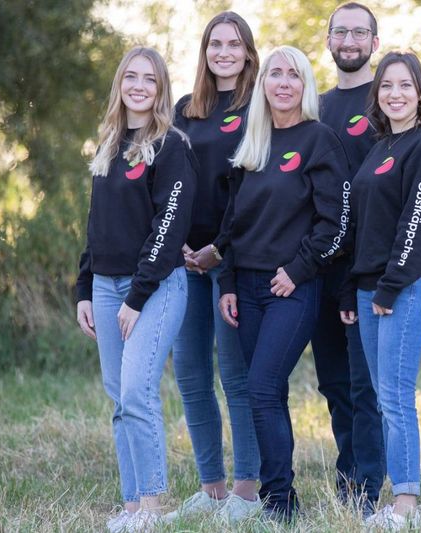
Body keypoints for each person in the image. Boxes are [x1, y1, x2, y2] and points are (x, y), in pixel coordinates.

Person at [216, 45, 348, 522]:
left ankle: (280, 503)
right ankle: (276, 495)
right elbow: (232, 223)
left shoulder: (319, 140)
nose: (284, 82)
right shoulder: (252, 141)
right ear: (264, 84)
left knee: (261, 385)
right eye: (276, 74)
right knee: (266, 393)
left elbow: (334, 222)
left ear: (305, 85)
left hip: (291, 286)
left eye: (294, 74)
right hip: (245, 287)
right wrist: (227, 280)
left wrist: (298, 269)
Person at [74, 46, 197, 533]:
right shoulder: (108, 142)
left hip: (156, 286)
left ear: (161, 87)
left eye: (150, 78)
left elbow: (168, 229)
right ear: (120, 84)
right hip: (105, 287)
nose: (140, 85)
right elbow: (95, 225)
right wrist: (84, 288)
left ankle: (152, 506)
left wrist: (136, 297)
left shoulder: (172, 147)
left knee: (136, 391)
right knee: (117, 397)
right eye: (131, 76)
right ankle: (130, 508)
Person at [340, 51, 421, 530]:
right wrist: (353, 290)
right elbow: (362, 226)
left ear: (420, 92)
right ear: (377, 94)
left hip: (406, 286)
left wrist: (388, 287)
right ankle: (396, 494)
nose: (395, 94)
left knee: (395, 395)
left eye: (405, 85)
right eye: (387, 86)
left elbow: (418, 224)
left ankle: (406, 502)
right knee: (380, 394)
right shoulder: (380, 146)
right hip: (370, 289)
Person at [161, 11, 262, 526]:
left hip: (233, 261)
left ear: (248, 51)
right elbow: (171, 180)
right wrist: (176, 244)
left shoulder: (260, 106)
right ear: (204, 52)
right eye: (214, 44)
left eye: (234, 43)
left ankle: (247, 490)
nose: (223, 52)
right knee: (192, 375)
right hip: (184, 261)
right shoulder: (185, 110)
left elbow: (253, 191)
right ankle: (213, 488)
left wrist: (220, 251)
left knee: (236, 375)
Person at [314, 1, 384, 515]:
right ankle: (348, 475)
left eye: (361, 33)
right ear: (329, 40)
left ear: (374, 44)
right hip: (321, 268)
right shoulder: (315, 108)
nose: (351, 41)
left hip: (367, 270)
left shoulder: (388, 103)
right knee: (334, 382)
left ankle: (369, 487)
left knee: (367, 386)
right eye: (342, 32)